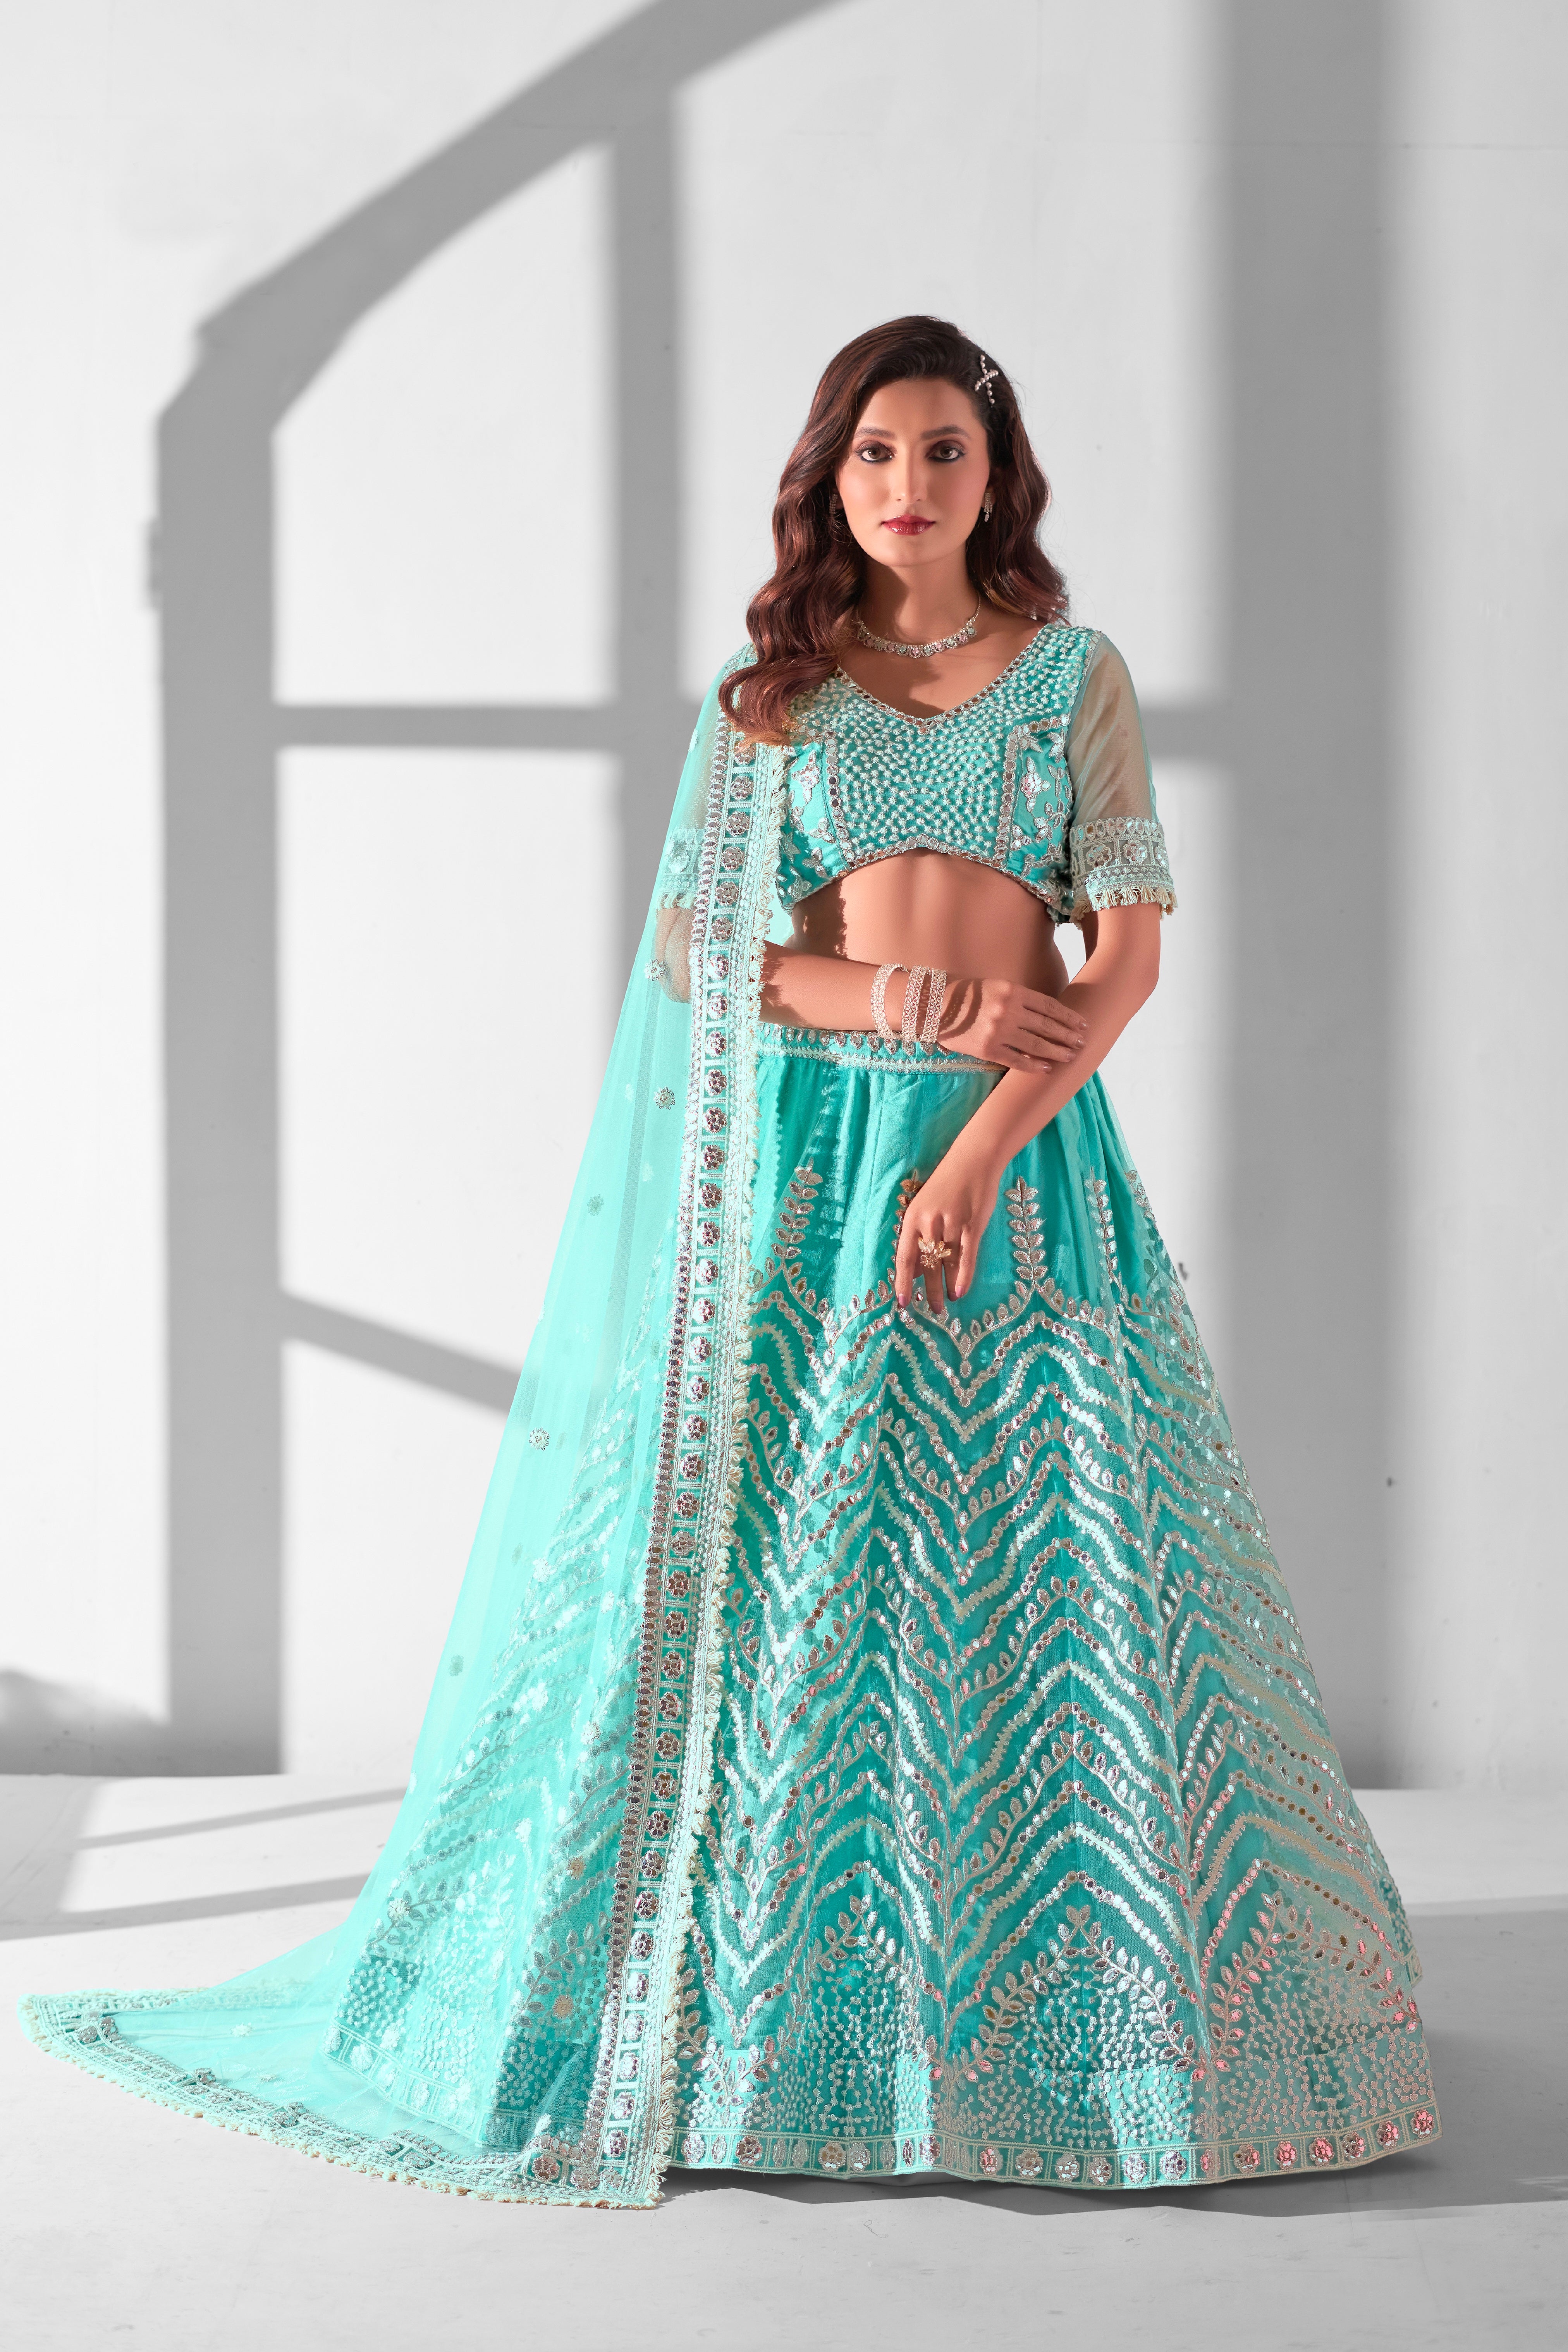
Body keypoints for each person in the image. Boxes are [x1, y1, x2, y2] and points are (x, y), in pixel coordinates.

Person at [22, 316, 1439, 2204]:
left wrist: (979, 1153)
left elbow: (1122, 964)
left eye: (943, 452)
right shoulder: (772, 696)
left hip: (1027, 1169)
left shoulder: (1070, 676)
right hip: (815, 1168)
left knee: (1072, 1568)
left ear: (997, 474)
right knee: (793, 1557)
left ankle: (1092, 2037)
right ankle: (765, 2019)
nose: (909, 486)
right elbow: (705, 954)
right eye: (876, 454)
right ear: (829, 477)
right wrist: (905, 999)